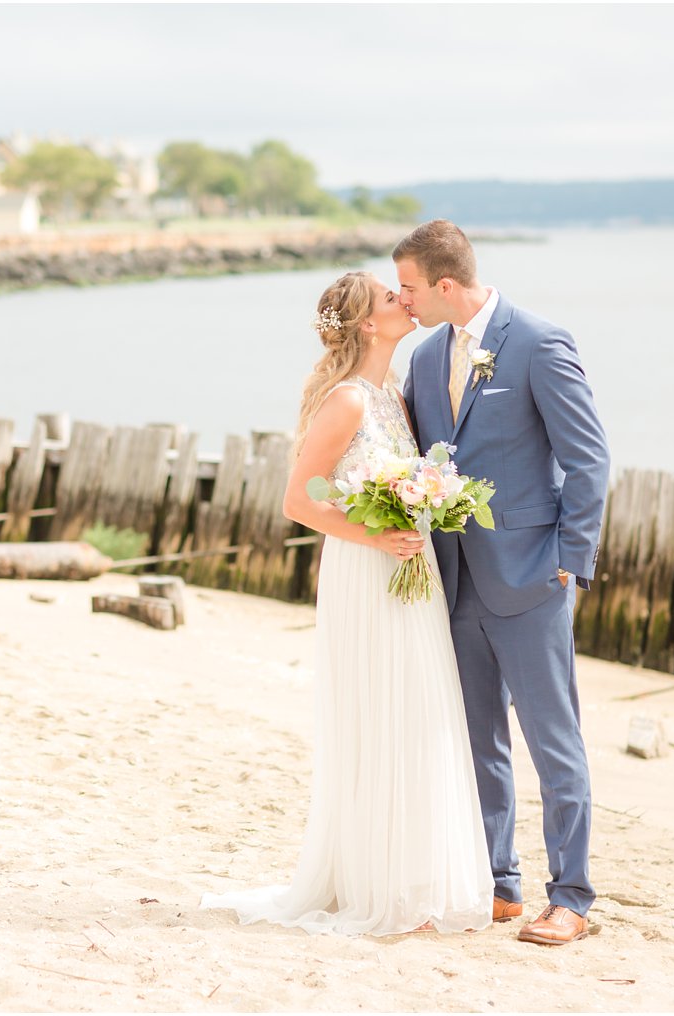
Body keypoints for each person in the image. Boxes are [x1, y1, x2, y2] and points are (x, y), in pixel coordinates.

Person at [200, 270, 493, 936]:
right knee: (381, 713)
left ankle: (411, 879)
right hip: (367, 572)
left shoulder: (393, 396)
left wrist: (425, 508)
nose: (406, 299)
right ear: (369, 323)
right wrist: (379, 533)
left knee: (417, 715)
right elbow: (299, 501)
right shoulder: (348, 403)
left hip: (406, 571)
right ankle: (378, 887)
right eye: (393, 297)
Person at [396, 220, 610, 946]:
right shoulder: (425, 359)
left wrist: (571, 558)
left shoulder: (540, 343)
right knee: (477, 739)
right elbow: (425, 462)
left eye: (411, 288)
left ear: (446, 284)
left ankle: (572, 896)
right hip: (454, 581)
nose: (406, 301)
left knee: (555, 741)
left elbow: (588, 460)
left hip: (532, 577)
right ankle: (499, 886)